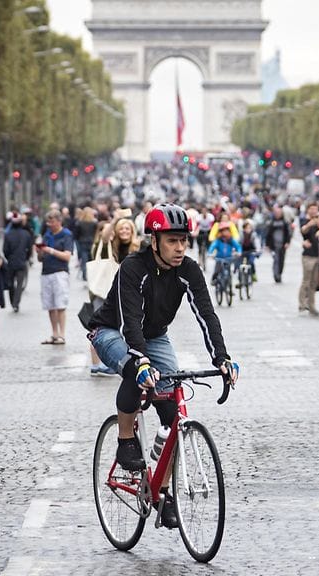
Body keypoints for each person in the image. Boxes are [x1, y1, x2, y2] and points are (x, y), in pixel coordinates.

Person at [87, 203, 239, 529]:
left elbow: (207, 315)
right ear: (154, 241)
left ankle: (163, 493)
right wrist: (141, 361)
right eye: (172, 241)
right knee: (135, 370)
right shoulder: (132, 267)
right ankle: (126, 440)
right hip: (111, 330)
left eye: (184, 240)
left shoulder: (189, 269)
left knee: (173, 415)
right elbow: (130, 320)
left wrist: (222, 358)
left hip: (155, 335)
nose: (180, 247)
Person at [88, 216, 141, 376]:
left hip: (129, 294)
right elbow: (104, 237)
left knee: (126, 328)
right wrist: (115, 219)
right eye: (121, 229)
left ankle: (123, 361)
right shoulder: (111, 247)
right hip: (105, 292)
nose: (124, 231)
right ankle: (99, 364)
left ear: (132, 231)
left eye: (127, 228)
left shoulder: (138, 248)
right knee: (100, 328)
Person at [37, 210, 73, 345]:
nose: (49, 224)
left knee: (60, 304)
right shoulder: (46, 235)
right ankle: (54, 333)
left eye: (51, 222)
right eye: (48, 222)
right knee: (50, 305)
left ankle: (62, 335)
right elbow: (40, 259)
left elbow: (67, 256)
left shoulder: (66, 235)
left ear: (59, 221)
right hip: (46, 272)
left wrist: (50, 250)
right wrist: (40, 252)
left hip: (60, 272)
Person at [2, 211, 34, 312]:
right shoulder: (26, 234)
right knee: (20, 284)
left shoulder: (8, 235)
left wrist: (9, 257)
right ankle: (16, 303)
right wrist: (26, 258)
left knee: (11, 283)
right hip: (22, 261)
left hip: (11, 262)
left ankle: (13, 302)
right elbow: (29, 249)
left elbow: (5, 250)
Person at [298, 204, 319, 314]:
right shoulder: (304, 220)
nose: (314, 211)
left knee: (314, 282)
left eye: (315, 209)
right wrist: (310, 224)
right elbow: (303, 230)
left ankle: (312, 305)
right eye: (311, 209)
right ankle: (302, 304)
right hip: (308, 255)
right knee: (306, 280)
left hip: (318, 254)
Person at [265, 207, 291, 283]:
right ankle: (276, 275)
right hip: (274, 245)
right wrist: (267, 245)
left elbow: (288, 233)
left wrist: (287, 242)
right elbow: (268, 234)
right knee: (276, 260)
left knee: (281, 260)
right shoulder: (271, 223)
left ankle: (279, 273)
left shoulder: (285, 222)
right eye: (276, 213)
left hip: (282, 245)